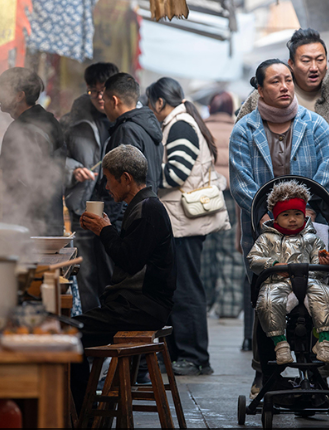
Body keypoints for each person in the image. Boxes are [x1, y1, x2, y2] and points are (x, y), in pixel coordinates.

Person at [231, 58, 329, 397]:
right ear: (260, 89)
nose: (285, 87)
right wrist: (268, 215)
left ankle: (315, 374)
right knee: (267, 297)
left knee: (313, 298)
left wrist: (304, 208)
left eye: (288, 80)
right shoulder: (245, 129)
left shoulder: (316, 125)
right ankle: (266, 373)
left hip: (308, 230)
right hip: (263, 232)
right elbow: (240, 181)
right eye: (275, 81)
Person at [237, 30, 329, 271]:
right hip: (269, 217)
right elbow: (241, 159)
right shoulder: (259, 98)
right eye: (306, 60)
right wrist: (259, 212)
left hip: (326, 212)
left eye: (320, 59)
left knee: (323, 288)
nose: (314, 67)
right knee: (270, 288)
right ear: (291, 63)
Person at [73, 145, 175, 411]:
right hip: (135, 304)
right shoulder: (141, 205)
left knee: (68, 335)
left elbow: (129, 260)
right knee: (69, 330)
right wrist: (106, 229)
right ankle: (85, 409)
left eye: (109, 179)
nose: (107, 186)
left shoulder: (148, 208)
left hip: (141, 307)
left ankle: (84, 413)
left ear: (126, 178)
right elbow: (131, 252)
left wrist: (105, 231)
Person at [147, 77, 230, 376]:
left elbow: (176, 174)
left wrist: (144, 178)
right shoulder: (180, 122)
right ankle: (183, 353)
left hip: (183, 221)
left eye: (149, 104)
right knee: (180, 286)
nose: (149, 110)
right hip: (178, 220)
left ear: (159, 102)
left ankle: (195, 357)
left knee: (186, 288)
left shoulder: (180, 125)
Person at [248, 180, 329, 364]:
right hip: (277, 282)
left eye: (298, 214)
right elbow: (253, 259)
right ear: (275, 218)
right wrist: (273, 264)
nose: (292, 219)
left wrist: (322, 263)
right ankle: (280, 344)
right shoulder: (266, 238)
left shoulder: (312, 238)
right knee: (267, 301)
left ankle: (324, 342)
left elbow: (319, 268)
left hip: (309, 281)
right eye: (286, 215)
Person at [63, 62, 118, 311]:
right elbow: (57, 156)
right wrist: (72, 169)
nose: (97, 97)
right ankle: (92, 338)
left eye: (102, 90)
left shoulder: (124, 117)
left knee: (111, 273)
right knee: (84, 273)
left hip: (115, 209)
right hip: (82, 208)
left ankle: (111, 334)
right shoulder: (74, 118)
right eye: (91, 90)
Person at [0, 67, 66, 237]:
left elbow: (26, 181)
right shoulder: (43, 120)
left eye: (2, 88)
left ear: (19, 95)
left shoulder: (27, 128)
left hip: (32, 227)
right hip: (43, 223)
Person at [100, 73, 163, 229]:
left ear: (114, 101)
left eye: (104, 101)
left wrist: (112, 224)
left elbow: (124, 182)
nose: (103, 106)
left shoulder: (127, 130)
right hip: (143, 212)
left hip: (126, 218)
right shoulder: (147, 127)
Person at [202, 92, 244, 320]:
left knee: (205, 251)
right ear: (230, 110)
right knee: (230, 250)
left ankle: (204, 302)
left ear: (210, 108)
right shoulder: (237, 128)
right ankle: (229, 306)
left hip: (206, 196)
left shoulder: (200, 129)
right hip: (231, 196)